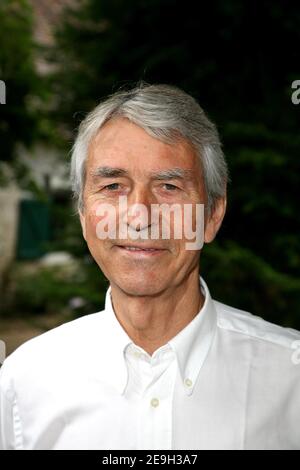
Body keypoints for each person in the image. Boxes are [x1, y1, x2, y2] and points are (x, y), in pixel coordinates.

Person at [0, 83, 299, 450]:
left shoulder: (291, 379)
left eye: (169, 187)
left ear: (213, 214)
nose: (139, 216)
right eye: (112, 186)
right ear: (82, 214)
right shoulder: (23, 382)